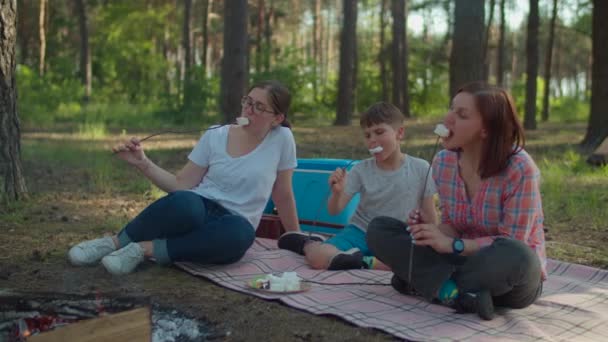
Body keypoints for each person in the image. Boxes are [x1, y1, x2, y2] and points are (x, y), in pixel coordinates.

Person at [68, 80, 304, 275]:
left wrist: (296, 239)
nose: (248, 110)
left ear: (277, 118)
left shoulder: (282, 139)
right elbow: (181, 184)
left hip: (233, 223)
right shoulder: (216, 135)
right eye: (248, 102)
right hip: (197, 209)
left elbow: (282, 193)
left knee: (241, 235)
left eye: (259, 107)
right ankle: (115, 243)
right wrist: (143, 163)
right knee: (186, 201)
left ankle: (145, 249)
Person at [367, 82, 546, 320]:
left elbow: (513, 241)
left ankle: (423, 280)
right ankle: (456, 292)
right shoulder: (444, 163)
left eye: (461, 115)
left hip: (506, 275)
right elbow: (453, 224)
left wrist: (454, 245)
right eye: (451, 109)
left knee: (518, 256)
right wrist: (430, 232)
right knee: (380, 229)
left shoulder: (520, 169)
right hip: (459, 262)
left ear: (486, 129)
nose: (448, 119)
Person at [278, 102, 437, 270]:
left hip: (399, 238)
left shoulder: (421, 168)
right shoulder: (360, 169)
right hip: (360, 233)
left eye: (379, 132)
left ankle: (363, 262)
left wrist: (432, 241)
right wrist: (337, 193)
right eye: (367, 135)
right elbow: (334, 210)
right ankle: (307, 243)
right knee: (318, 258)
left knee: (418, 264)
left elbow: (430, 214)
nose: (372, 140)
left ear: (400, 133)